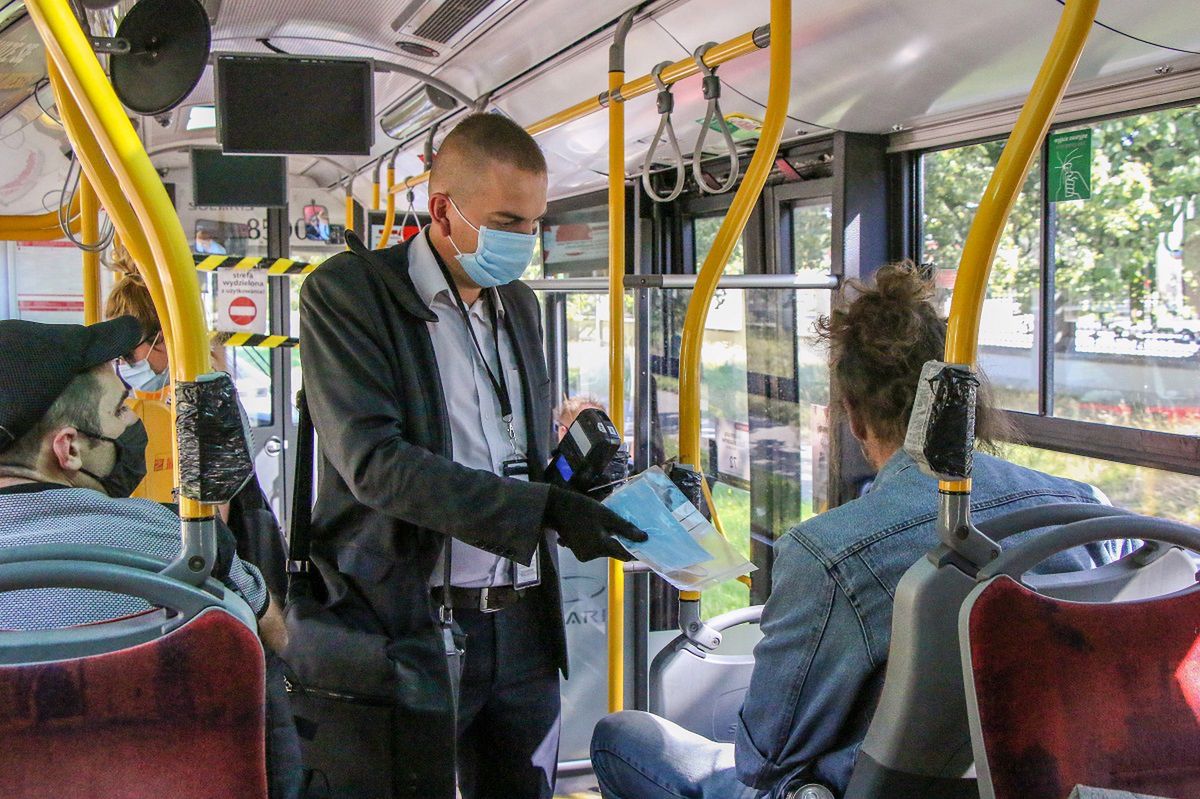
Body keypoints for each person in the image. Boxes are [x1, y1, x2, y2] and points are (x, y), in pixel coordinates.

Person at [591, 262, 1117, 798]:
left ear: (855, 417)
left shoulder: (831, 556)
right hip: (1049, 780)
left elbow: (766, 758)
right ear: (970, 403)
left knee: (622, 736)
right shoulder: (1086, 512)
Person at [298, 112, 646, 799]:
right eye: (509, 221)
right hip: (409, 620)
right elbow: (375, 462)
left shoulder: (518, 305)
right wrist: (540, 505)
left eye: (535, 223)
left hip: (520, 624)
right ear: (441, 210)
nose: (526, 241)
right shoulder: (349, 294)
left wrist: (585, 482)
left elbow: (520, 455)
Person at [0, 316, 281, 644]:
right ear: (69, 448)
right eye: (120, 410)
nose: (134, 418)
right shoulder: (184, 542)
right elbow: (275, 637)